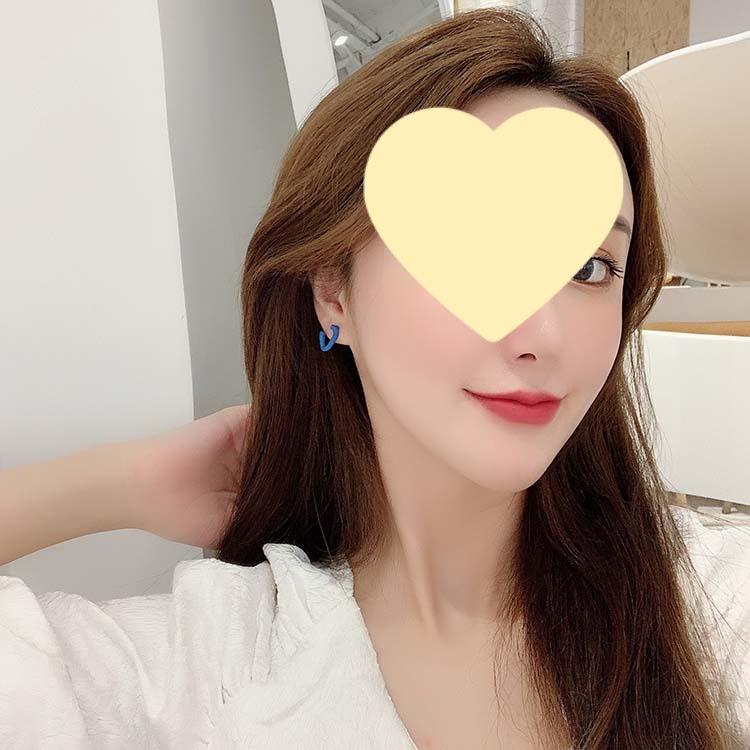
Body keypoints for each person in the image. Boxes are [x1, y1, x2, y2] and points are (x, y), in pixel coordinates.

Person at [1, 7, 749, 750]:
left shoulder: (709, 602)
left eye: (590, 267)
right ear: (334, 294)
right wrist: (122, 482)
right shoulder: (209, 667)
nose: (543, 337)